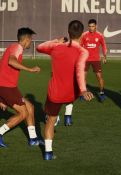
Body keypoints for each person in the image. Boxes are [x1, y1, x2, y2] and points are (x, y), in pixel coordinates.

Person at [37, 20, 94, 160]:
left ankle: (48, 153)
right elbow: (80, 70)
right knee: (60, 108)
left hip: (55, 93)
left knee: (50, 121)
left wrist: (56, 40)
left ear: (68, 32)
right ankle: (67, 116)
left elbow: (39, 47)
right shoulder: (83, 51)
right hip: (70, 94)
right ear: (82, 35)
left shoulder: (56, 47)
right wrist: (83, 90)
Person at [0, 27, 42, 147]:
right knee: (23, 113)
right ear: (27, 39)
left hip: (8, 87)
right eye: (31, 39)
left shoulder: (13, 48)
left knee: (30, 107)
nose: (30, 41)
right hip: (6, 87)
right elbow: (11, 62)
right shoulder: (17, 47)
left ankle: (33, 139)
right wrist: (30, 69)